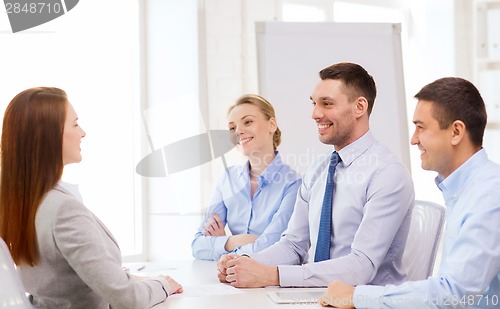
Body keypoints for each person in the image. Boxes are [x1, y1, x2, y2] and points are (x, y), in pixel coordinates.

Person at [217, 62, 415, 288]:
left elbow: (362, 267)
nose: (315, 114)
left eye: (327, 104)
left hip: (364, 300)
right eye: (314, 104)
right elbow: (293, 245)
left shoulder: (387, 174)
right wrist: (243, 263)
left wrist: (272, 275)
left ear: (360, 107)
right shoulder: (317, 170)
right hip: (315, 296)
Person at [320, 77, 500, 309]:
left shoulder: (489, 195)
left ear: (456, 131)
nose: (414, 139)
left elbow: (453, 294)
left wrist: (357, 297)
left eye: (421, 127)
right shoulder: (467, 189)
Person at [0, 87, 183, 309]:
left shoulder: (22, 202)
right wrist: (162, 284)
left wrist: (123, 279)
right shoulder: (62, 209)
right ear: (50, 134)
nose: (83, 133)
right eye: (75, 124)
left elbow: (59, 279)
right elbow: (129, 299)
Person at [191, 94, 301, 261]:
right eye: (232, 128)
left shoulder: (294, 184)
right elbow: (198, 245)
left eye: (248, 122)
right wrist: (237, 241)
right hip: (231, 280)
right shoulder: (228, 179)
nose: (239, 131)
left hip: (273, 282)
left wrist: (221, 243)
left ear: (271, 125)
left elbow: (274, 248)